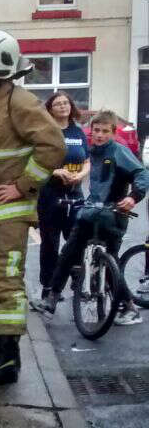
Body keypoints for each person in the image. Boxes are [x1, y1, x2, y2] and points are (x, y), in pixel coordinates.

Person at [0, 29, 65, 386]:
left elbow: (53, 146)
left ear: (1, 64)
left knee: (6, 284)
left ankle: (8, 361)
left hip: (6, 216)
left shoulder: (18, 102)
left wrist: (22, 186)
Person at [40, 109, 149, 326]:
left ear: (113, 132)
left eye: (104, 131)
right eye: (96, 130)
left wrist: (132, 197)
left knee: (111, 264)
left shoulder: (118, 151)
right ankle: (52, 296)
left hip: (113, 214)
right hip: (91, 212)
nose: (99, 135)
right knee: (69, 252)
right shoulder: (94, 151)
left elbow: (142, 174)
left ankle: (128, 306)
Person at [36, 91, 89, 301]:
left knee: (76, 242)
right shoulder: (45, 132)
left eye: (65, 102)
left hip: (75, 195)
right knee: (50, 244)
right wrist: (56, 172)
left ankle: (77, 284)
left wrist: (81, 175)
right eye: (57, 104)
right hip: (50, 195)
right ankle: (48, 287)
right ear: (50, 109)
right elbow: (36, 161)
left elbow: (87, 160)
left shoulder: (78, 132)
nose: (62, 106)